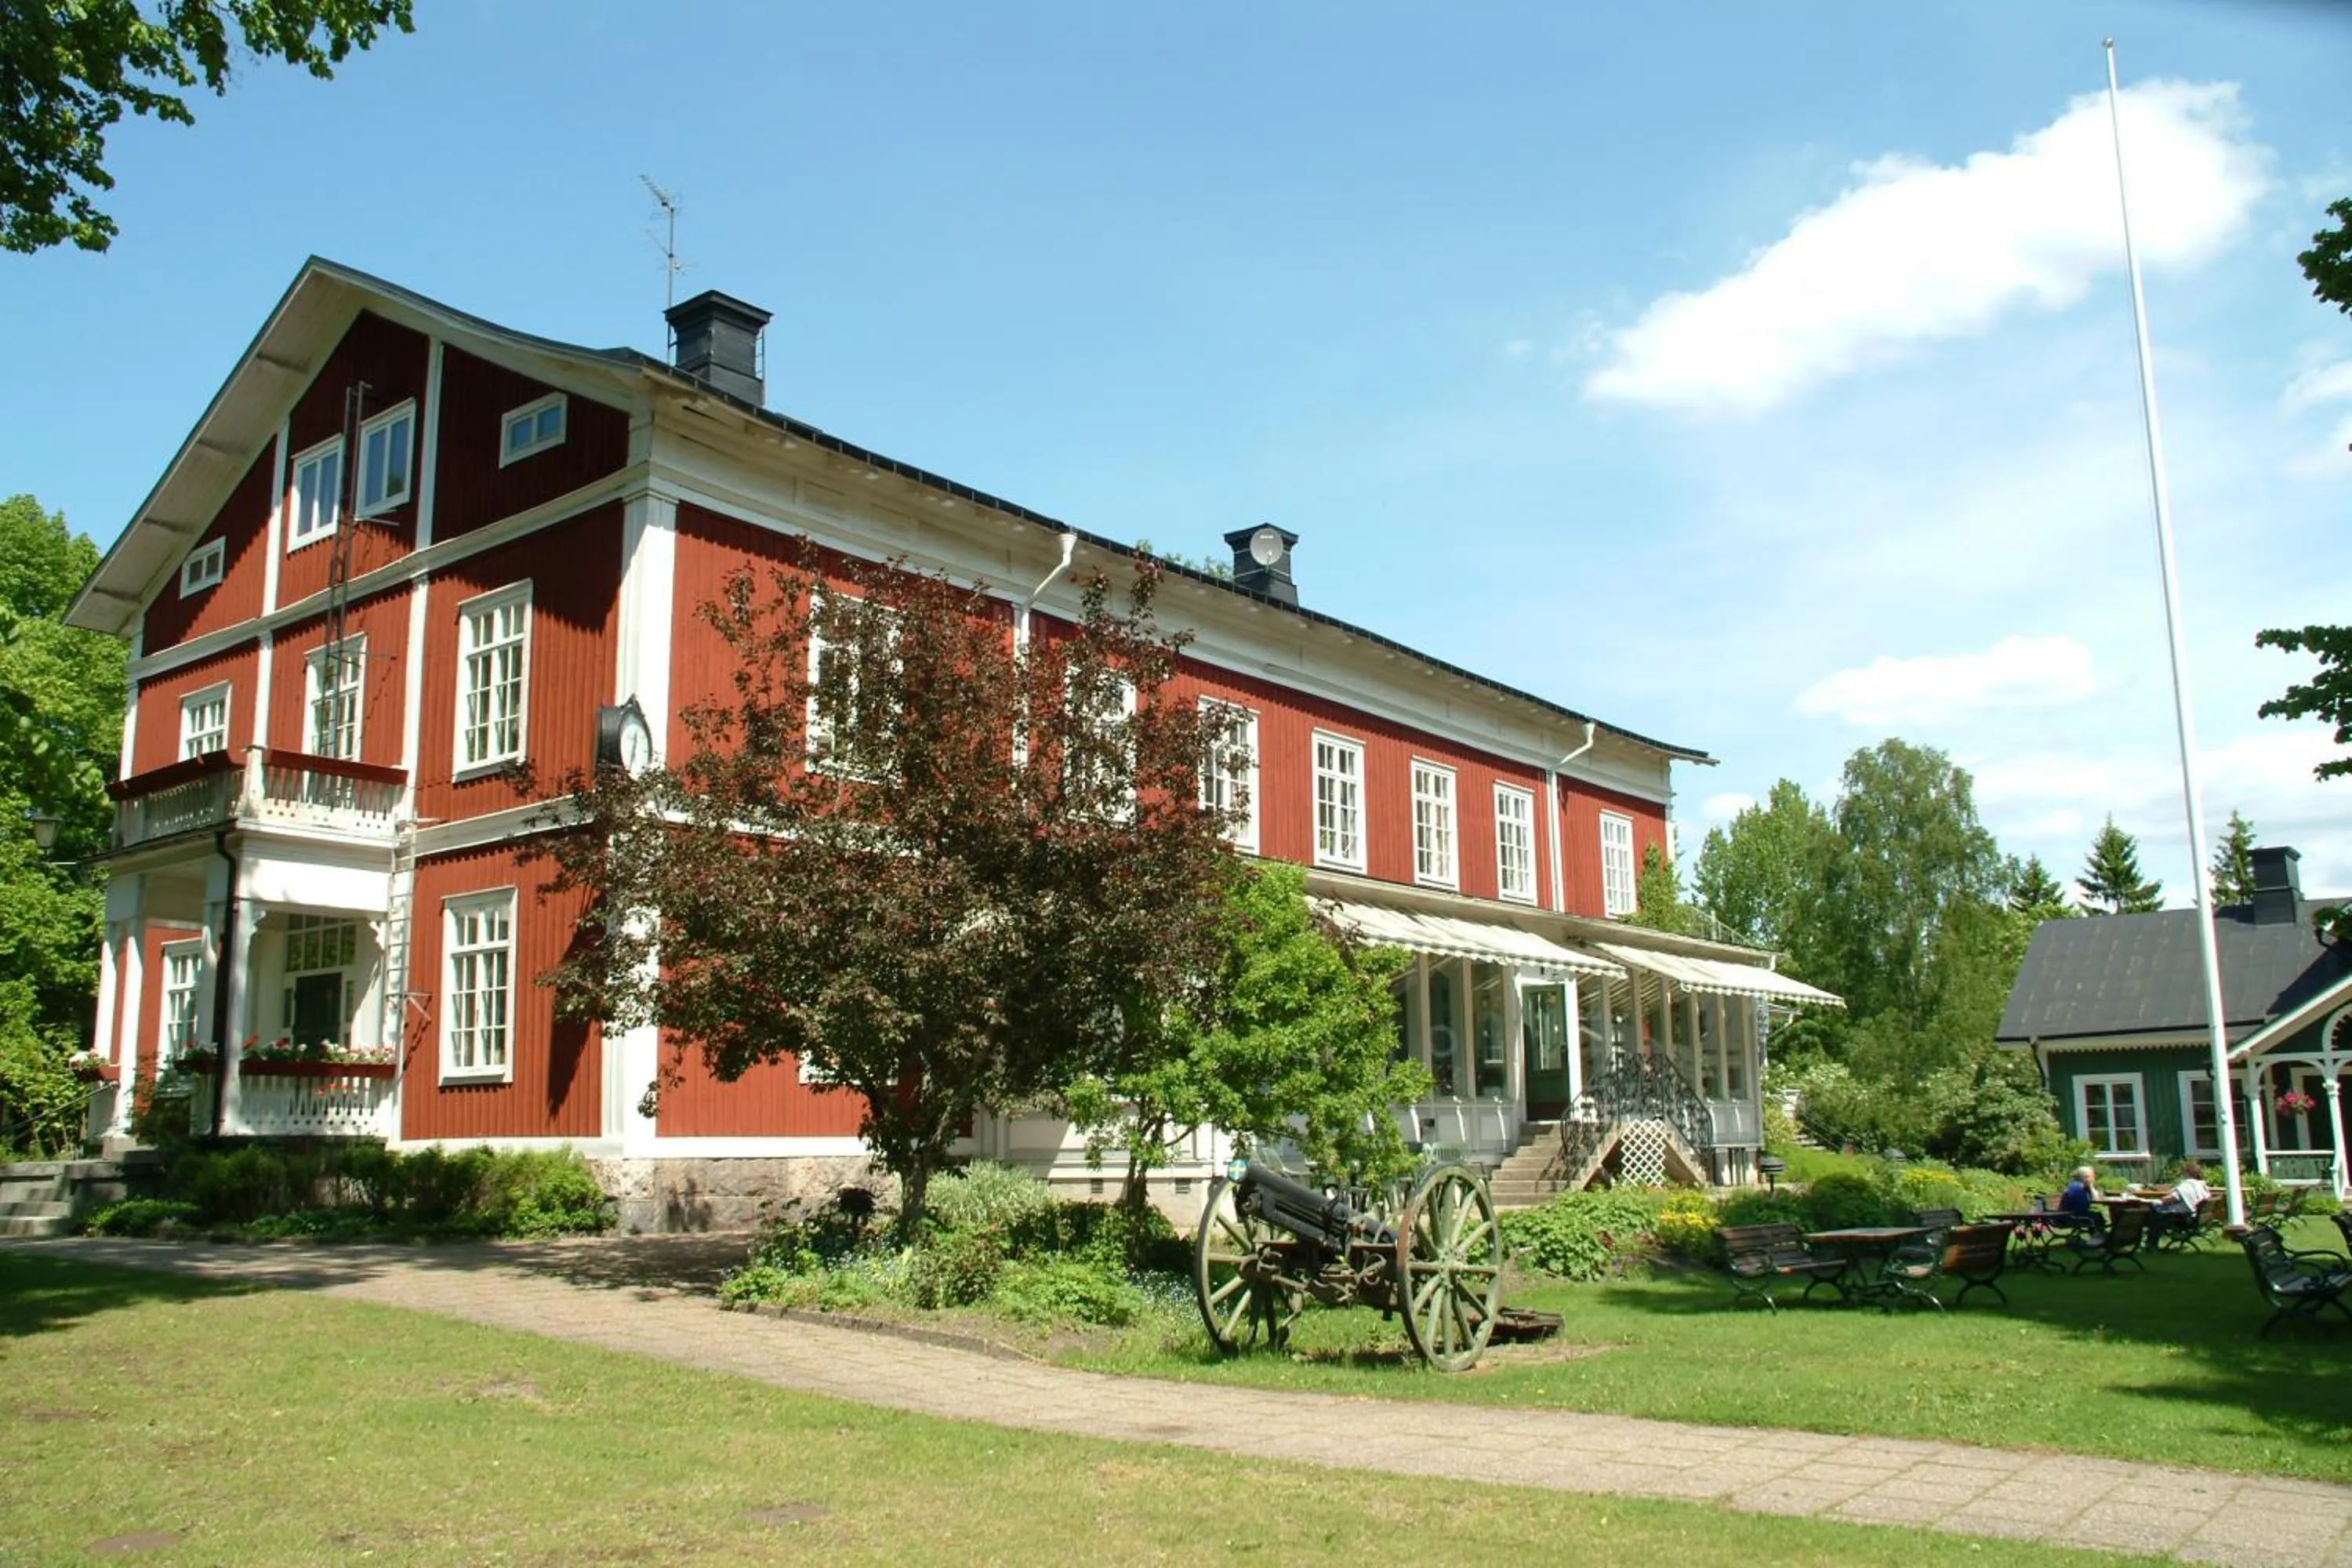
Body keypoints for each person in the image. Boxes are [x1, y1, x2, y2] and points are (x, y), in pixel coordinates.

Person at [2150, 1160, 2212, 1244]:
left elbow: (2173, 1198)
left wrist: (2162, 1199)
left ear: (2186, 1173)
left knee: (2154, 1215)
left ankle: (2151, 1244)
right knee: (2157, 1213)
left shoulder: (2186, 1185)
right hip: (2194, 1218)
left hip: (2184, 1219)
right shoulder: (2201, 1185)